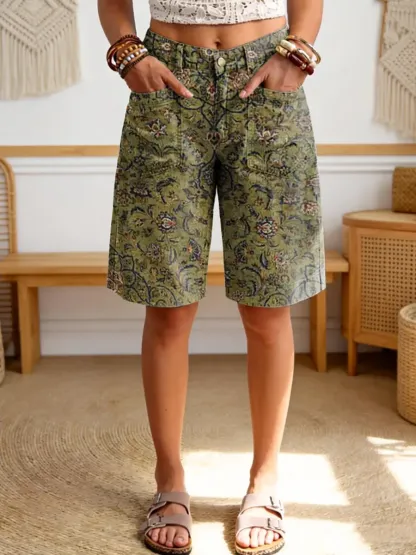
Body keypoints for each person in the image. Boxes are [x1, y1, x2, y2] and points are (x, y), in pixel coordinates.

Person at [98, 0, 324, 553]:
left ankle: (264, 480)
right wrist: (129, 54)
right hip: (167, 85)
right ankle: (169, 479)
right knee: (168, 305)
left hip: (267, 79)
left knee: (268, 306)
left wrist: (297, 52)